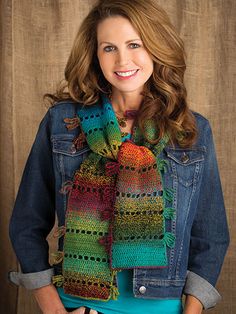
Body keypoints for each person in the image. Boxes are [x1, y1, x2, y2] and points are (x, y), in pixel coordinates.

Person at [9, 0, 230, 313]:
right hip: (79, 305)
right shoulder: (62, 123)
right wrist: (54, 310)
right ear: (95, 54)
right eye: (108, 47)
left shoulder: (191, 131)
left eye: (134, 44)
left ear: (156, 47)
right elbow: (26, 223)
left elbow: (211, 236)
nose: (122, 59)